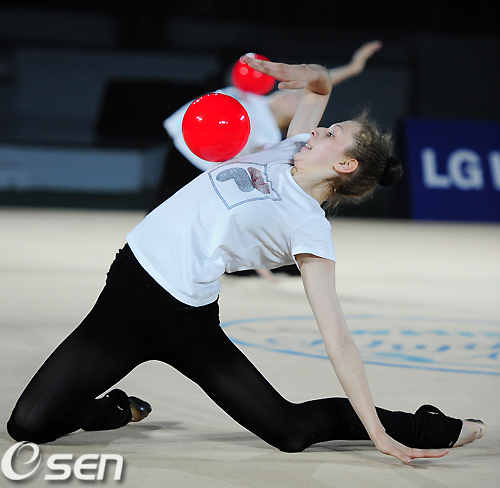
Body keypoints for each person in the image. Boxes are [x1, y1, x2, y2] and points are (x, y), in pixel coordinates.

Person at [7, 55, 485, 464]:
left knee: (290, 431)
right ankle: (112, 410)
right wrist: (303, 72)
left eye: (332, 133)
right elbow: (320, 85)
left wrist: (379, 435)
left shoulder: (309, 227)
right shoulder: (290, 148)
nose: (319, 129)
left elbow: (338, 339)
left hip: (181, 319)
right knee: (27, 425)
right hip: (125, 291)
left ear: (345, 164)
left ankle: (424, 426)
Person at [148, 41, 383, 211]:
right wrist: (351, 67)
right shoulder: (256, 96)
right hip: (182, 144)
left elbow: (315, 93)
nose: (293, 94)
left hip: (199, 165)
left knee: (169, 213)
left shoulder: (269, 134)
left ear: (294, 118)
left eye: (298, 99)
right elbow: (315, 81)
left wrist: (352, 69)